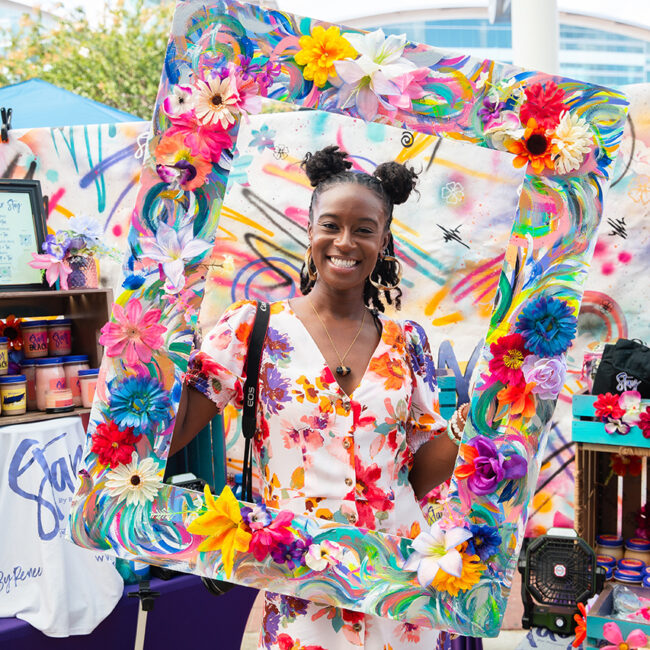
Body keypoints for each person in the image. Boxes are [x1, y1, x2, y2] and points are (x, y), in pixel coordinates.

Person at [170, 145, 469, 650]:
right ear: (309, 232)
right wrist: (150, 354)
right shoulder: (252, 329)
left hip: (397, 585)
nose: (345, 242)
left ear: (384, 239)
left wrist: (470, 425)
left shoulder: (407, 340)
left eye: (365, 229)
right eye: (330, 225)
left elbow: (417, 474)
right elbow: (169, 436)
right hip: (300, 585)